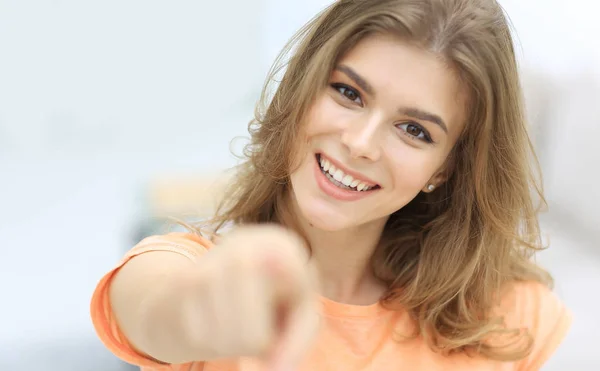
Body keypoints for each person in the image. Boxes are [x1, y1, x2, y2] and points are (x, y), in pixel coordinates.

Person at [90, 1, 572, 370]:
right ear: (303, 88)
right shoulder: (184, 268)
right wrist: (207, 304)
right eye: (348, 92)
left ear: (444, 170)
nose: (361, 143)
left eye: (415, 130)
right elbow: (158, 309)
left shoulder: (509, 316)